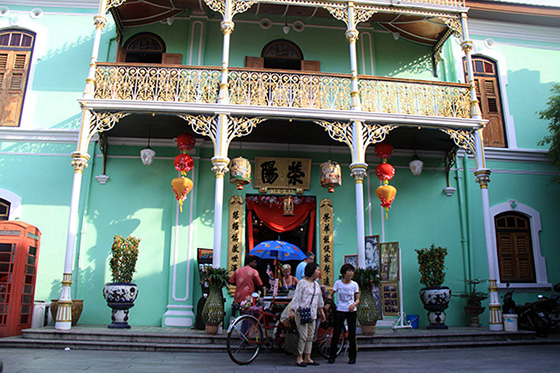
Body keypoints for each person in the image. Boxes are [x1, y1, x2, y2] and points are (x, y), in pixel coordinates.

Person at [289, 262, 326, 367]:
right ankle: (299, 357)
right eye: (317, 270)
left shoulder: (316, 284)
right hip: (302, 312)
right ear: (312, 271)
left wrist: (321, 311)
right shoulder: (302, 283)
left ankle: (308, 357)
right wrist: (292, 310)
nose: (318, 272)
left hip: (312, 313)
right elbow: (296, 297)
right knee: (303, 336)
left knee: (310, 336)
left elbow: (319, 299)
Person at [328, 263, 360, 365]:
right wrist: (328, 302)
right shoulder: (338, 283)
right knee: (336, 333)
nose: (351, 273)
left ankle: (352, 357)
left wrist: (354, 304)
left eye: (352, 271)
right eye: (349, 271)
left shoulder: (354, 284)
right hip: (340, 310)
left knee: (352, 334)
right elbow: (331, 294)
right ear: (343, 273)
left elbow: (358, 298)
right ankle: (332, 356)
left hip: (351, 311)